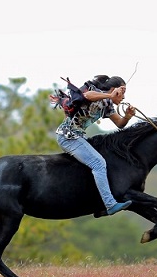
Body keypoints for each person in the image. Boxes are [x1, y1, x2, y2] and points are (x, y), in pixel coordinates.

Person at [55, 74, 136, 216]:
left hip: (79, 137)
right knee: (98, 164)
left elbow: (120, 124)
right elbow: (87, 95)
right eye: (122, 92)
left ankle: (98, 203)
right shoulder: (95, 93)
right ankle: (110, 204)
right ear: (113, 89)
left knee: (102, 163)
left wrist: (127, 116)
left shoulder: (107, 105)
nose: (123, 97)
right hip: (68, 137)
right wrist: (110, 95)